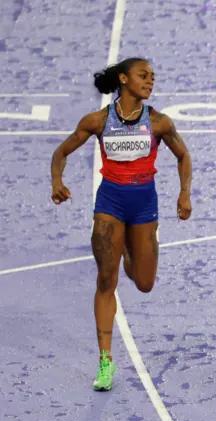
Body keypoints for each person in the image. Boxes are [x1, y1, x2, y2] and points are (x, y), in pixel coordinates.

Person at [50, 57, 193, 391]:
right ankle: (105, 362)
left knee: (144, 283)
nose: (150, 82)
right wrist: (57, 181)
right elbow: (61, 151)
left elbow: (183, 156)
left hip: (144, 207)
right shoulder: (98, 121)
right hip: (110, 205)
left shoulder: (158, 122)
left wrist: (184, 194)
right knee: (105, 280)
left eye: (153, 77)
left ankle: (129, 253)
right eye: (144, 76)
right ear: (124, 79)